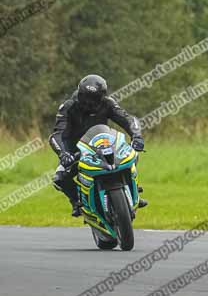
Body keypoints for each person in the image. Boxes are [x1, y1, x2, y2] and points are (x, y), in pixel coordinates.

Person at [49, 74, 146, 217]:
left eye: (93, 99)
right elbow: (56, 134)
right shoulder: (68, 107)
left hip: (105, 145)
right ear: (79, 93)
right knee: (60, 178)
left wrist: (136, 136)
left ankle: (133, 191)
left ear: (101, 97)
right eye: (85, 97)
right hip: (77, 151)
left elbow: (128, 119)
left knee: (132, 155)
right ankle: (77, 201)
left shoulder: (108, 103)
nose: (88, 103)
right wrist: (63, 153)